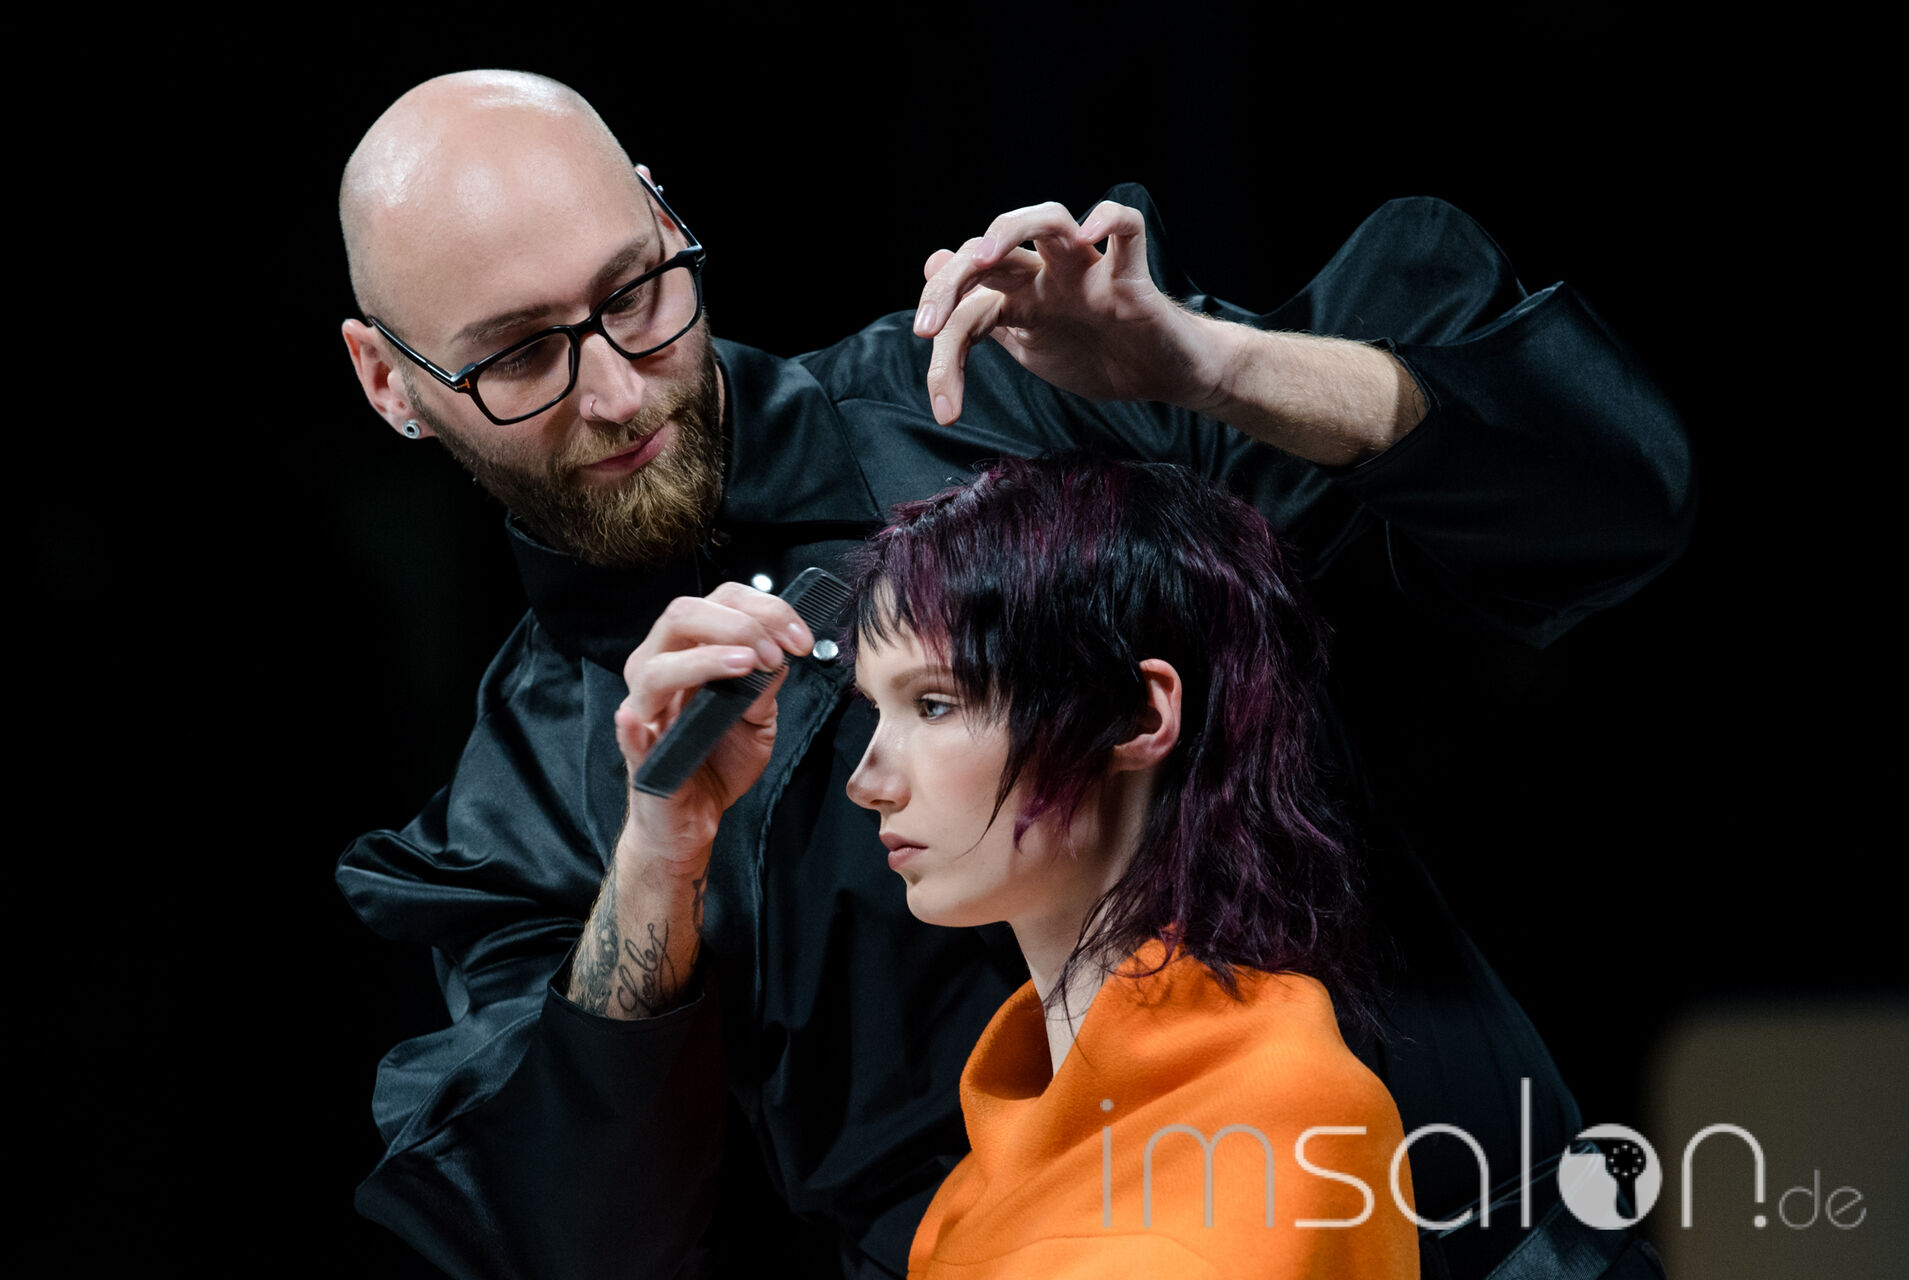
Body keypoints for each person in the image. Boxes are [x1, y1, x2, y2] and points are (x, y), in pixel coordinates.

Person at [333, 69, 1690, 1279]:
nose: (620, 389)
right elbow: (580, 1239)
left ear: (661, 210)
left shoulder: (1018, 386)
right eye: (520, 354)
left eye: (636, 291)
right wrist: (655, 863)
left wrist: (1210, 366)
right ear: (390, 383)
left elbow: (1607, 504)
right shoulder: (522, 809)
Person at [842, 454, 1417, 1277]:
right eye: (876, 709)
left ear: (1137, 715)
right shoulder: (979, 1179)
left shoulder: (1280, 1126)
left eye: (934, 703)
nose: (867, 783)